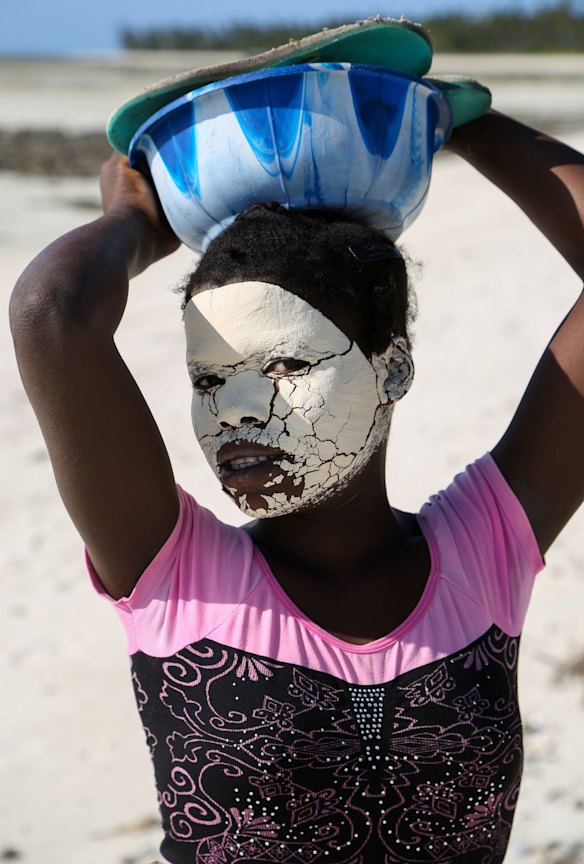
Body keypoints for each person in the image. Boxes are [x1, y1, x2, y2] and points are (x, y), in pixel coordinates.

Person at [9, 104, 584, 864]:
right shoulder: (176, 574)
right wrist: (135, 219)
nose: (238, 411)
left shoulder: (484, 549)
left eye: (284, 366)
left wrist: (459, 122)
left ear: (393, 369)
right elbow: (52, 315)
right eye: (210, 379)